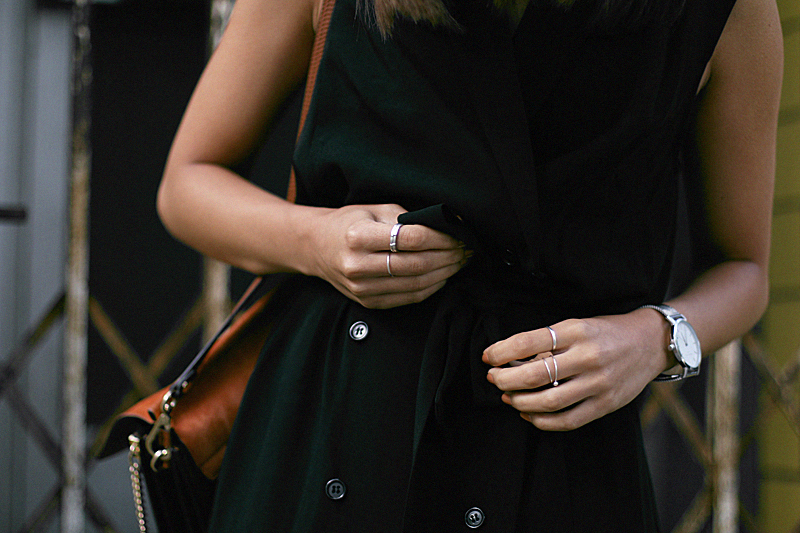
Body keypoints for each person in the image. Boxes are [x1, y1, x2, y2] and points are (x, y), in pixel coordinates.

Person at [156, 0, 782, 530]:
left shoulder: (726, 13)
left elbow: (745, 268)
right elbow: (187, 184)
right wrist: (317, 240)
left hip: (564, 464)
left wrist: (656, 340)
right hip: (329, 434)